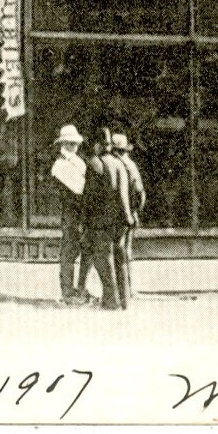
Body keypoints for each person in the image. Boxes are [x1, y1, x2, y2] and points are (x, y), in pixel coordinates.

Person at [80, 132, 134, 310]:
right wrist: (128, 217)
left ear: (97, 144)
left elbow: (90, 197)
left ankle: (111, 301)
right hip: (122, 221)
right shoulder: (120, 163)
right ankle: (125, 300)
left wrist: (85, 220)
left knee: (103, 259)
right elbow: (125, 193)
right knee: (120, 259)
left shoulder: (96, 163)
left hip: (102, 220)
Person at [50, 125, 90, 305]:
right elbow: (79, 189)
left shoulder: (78, 161)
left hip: (84, 213)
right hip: (71, 214)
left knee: (86, 250)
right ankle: (67, 291)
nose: (75, 145)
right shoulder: (59, 165)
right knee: (69, 252)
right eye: (71, 142)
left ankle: (81, 287)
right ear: (63, 143)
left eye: (76, 142)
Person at [114, 133, 146, 302]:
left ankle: (122, 291)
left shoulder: (113, 164)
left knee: (118, 252)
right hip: (129, 214)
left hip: (116, 215)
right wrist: (135, 211)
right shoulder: (131, 166)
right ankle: (129, 289)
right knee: (126, 251)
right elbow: (140, 193)